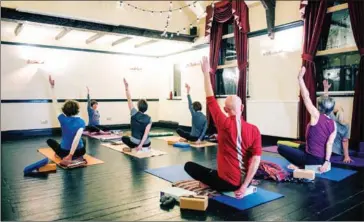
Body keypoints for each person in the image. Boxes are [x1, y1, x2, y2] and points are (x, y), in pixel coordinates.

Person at [184, 56, 262, 199]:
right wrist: (245, 186)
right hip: (246, 183)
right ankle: (213, 182)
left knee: (189, 166)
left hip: (227, 184)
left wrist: (206, 73)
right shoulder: (255, 130)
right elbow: (256, 160)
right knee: (214, 172)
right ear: (242, 108)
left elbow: (210, 98)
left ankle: (210, 183)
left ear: (226, 110)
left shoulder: (223, 123)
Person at [278, 67, 337, 172]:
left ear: (320, 107)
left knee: (281, 148)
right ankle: (304, 163)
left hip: (311, 159)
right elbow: (329, 144)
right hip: (321, 160)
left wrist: (300, 79)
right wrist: (327, 161)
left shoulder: (316, 116)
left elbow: (306, 97)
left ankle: (300, 166)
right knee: (301, 146)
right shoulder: (333, 124)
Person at [46, 75, 86, 161]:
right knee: (83, 140)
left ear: (64, 110)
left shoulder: (62, 118)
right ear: (77, 110)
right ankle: (79, 156)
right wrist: (72, 154)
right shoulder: (82, 122)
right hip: (80, 151)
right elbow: (76, 139)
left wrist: (52, 88)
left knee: (50, 141)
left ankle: (60, 154)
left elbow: (55, 104)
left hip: (64, 152)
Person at [320, 80, 352, 163]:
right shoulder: (346, 125)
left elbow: (325, 103)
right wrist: (346, 156)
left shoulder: (332, 118)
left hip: (328, 151)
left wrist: (326, 89)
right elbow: (345, 141)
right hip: (335, 152)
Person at [121, 78, 152, 151]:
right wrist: (141, 145)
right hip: (146, 143)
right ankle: (144, 147)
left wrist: (126, 88)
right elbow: (145, 134)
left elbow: (129, 99)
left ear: (138, 106)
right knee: (146, 139)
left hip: (134, 142)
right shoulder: (149, 118)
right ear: (146, 108)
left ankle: (134, 147)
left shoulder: (134, 112)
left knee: (124, 138)